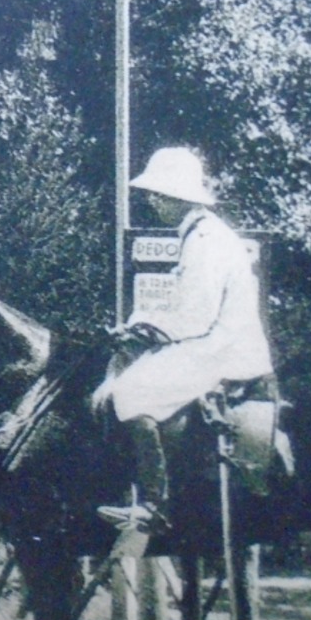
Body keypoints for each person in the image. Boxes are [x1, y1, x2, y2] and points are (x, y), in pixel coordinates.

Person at [94, 147, 273, 532]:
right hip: (215, 340)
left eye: (159, 194)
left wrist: (143, 328)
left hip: (223, 348)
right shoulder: (199, 234)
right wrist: (142, 324)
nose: (153, 201)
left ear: (179, 198)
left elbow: (195, 316)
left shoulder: (206, 240)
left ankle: (155, 503)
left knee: (128, 392)